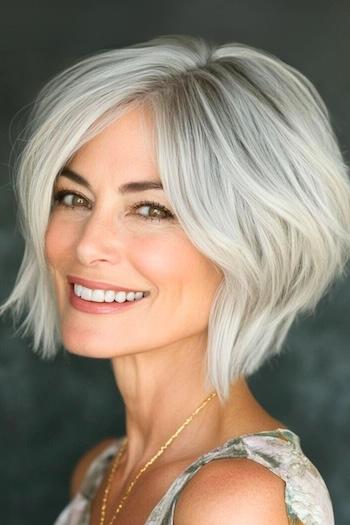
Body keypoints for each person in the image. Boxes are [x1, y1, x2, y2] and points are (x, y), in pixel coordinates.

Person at [1, 34, 349, 525]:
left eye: (150, 209)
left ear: (248, 245)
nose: (87, 245)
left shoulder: (235, 502)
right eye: (74, 198)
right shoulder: (102, 470)